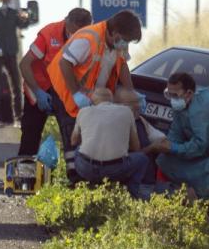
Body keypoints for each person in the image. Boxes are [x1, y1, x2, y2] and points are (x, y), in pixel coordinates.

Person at [47, 9, 143, 181]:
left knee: (89, 134)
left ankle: (88, 180)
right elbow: (64, 63)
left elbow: (122, 66)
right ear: (114, 32)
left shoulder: (117, 42)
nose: (125, 44)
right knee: (72, 138)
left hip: (91, 95)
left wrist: (131, 92)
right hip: (66, 92)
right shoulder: (88, 38)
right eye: (125, 40)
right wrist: (76, 93)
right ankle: (74, 182)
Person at [16, 7, 93, 156]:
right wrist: (38, 92)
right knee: (30, 133)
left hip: (64, 88)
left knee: (71, 132)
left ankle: (74, 173)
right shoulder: (49, 33)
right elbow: (24, 64)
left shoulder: (89, 37)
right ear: (68, 22)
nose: (78, 36)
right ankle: (25, 172)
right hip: (39, 86)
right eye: (76, 31)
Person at [145, 72, 209, 205]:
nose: (171, 99)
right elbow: (176, 132)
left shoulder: (202, 110)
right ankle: (162, 203)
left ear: (188, 93)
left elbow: (200, 145)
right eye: (168, 94)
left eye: (174, 95)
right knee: (165, 161)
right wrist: (168, 144)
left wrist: (174, 147)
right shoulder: (181, 106)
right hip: (207, 145)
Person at [70, 88, 148, 197]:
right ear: (112, 100)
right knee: (142, 159)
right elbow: (136, 147)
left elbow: (73, 141)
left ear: (91, 101)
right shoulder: (126, 111)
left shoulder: (83, 111)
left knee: (78, 150)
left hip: (87, 169)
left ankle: (82, 190)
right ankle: (132, 194)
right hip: (115, 170)